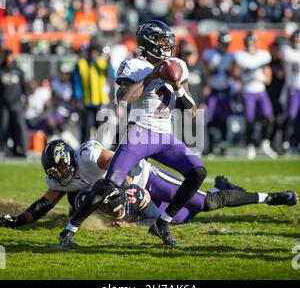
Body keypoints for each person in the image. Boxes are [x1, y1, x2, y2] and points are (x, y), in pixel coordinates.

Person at [61, 20, 207, 246]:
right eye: (161, 40)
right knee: (110, 185)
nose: (167, 44)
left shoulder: (178, 64)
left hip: (164, 136)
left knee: (198, 173)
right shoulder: (133, 66)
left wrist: (177, 85)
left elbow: (192, 111)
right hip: (140, 133)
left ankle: (163, 222)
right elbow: (124, 97)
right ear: (148, 43)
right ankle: (69, 231)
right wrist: (152, 77)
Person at [0, 139, 296, 245]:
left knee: (207, 204)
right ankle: (221, 187)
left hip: (146, 179)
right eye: (54, 173)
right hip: (131, 198)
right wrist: (19, 219)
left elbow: (121, 164)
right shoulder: (62, 181)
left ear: (68, 162)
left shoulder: (89, 156)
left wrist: (133, 187)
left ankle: (269, 197)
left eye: (59, 170)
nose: (58, 177)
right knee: (180, 218)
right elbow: (43, 204)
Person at [234, 32, 277, 159]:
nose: (251, 45)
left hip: (261, 90)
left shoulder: (263, 55)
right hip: (247, 92)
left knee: (269, 118)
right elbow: (235, 73)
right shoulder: (240, 56)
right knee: (249, 121)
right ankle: (250, 146)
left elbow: (268, 78)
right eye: (249, 42)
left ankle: (265, 143)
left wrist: (261, 77)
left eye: (253, 42)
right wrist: (242, 77)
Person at [202, 31, 234, 155]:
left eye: (226, 44)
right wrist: (212, 67)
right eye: (223, 43)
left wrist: (230, 72)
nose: (225, 46)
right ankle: (208, 147)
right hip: (212, 90)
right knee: (208, 118)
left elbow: (233, 74)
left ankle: (222, 146)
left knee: (224, 119)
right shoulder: (210, 54)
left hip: (225, 91)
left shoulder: (230, 56)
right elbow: (205, 72)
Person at [0, 49, 28, 157]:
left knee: (19, 126)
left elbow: (23, 88)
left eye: (10, 56)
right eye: (7, 56)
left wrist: (26, 101)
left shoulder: (18, 71)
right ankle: (4, 149)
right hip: (4, 105)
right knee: (4, 127)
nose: (8, 58)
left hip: (16, 104)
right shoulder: (1, 70)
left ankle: (22, 149)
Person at [280, 30, 300, 152]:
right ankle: (285, 141)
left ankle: (296, 142)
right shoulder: (287, 50)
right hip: (292, 88)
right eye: (296, 39)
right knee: (290, 116)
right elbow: (287, 56)